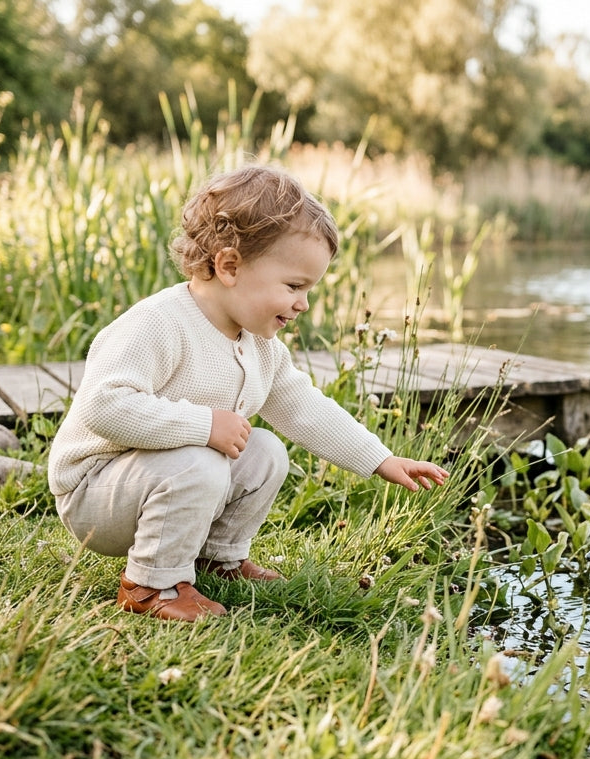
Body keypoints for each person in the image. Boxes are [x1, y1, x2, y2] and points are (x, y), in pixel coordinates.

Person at [47, 164, 449, 622]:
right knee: (200, 457)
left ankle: (218, 558)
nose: (303, 303)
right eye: (294, 286)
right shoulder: (158, 324)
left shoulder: (258, 344)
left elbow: (304, 408)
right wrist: (204, 425)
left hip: (157, 478)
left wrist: (380, 459)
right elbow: (105, 405)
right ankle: (149, 584)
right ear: (230, 265)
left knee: (266, 451)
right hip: (96, 492)